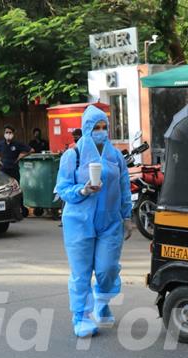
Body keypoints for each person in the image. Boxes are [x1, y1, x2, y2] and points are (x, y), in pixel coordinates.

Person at [55, 105, 133, 337]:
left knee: (107, 268)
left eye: (104, 127)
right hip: (79, 222)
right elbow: (63, 189)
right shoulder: (73, 155)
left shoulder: (115, 156)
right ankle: (81, 316)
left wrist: (127, 217)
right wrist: (83, 190)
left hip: (110, 222)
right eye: (95, 127)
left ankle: (102, 301)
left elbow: (124, 187)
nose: (101, 131)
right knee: (81, 272)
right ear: (86, 129)